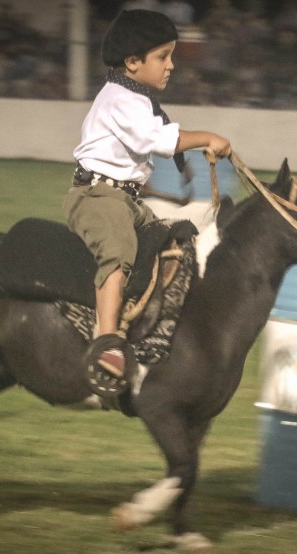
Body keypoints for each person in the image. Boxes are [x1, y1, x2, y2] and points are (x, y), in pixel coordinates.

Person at [64, 9, 231, 379]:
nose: (171, 65)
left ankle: (147, 322)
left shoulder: (137, 98)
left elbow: (159, 134)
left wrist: (183, 163)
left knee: (169, 240)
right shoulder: (120, 98)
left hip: (124, 200)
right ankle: (107, 341)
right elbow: (154, 139)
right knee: (118, 251)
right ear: (133, 61)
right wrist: (207, 137)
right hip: (97, 197)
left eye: (171, 56)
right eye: (163, 57)